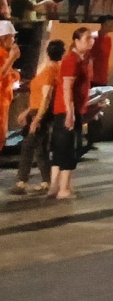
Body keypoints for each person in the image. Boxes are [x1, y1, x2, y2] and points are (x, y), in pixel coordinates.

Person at [14, 38, 64, 194]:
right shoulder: (53, 70)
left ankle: (22, 181)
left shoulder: (49, 72)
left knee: (28, 145)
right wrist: (28, 112)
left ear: (47, 53)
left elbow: (46, 98)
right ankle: (46, 181)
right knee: (40, 148)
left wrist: (36, 119)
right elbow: (41, 97)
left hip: (42, 113)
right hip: (38, 111)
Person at [49, 26, 92, 200]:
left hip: (70, 110)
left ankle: (54, 187)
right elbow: (67, 88)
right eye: (87, 38)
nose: (91, 41)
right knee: (69, 149)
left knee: (61, 149)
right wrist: (70, 112)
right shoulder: (71, 60)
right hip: (67, 110)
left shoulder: (81, 60)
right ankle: (63, 189)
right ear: (76, 40)